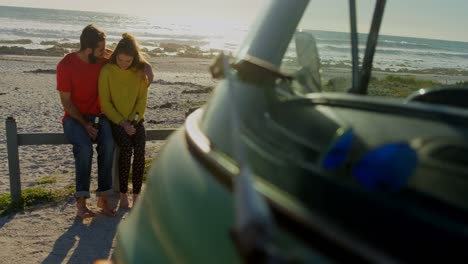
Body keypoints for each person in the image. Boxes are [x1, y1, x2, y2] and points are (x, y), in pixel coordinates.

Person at [56, 24, 116, 218]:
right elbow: (66, 102)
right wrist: (85, 124)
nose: (104, 53)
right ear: (88, 50)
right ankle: (81, 204)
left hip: (99, 116)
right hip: (74, 118)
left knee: (108, 143)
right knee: (84, 148)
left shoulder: (101, 59)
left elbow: (130, 57)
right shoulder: (66, 65)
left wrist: (147, 68)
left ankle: (103, 199)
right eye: (100, 49)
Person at [99, 33, 151, 209]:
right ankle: (123, 194)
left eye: (128, 61)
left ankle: (136, 195)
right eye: (121, 60)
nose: (123, 64)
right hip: (116, 121)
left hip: (136, 121)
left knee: (140, 152)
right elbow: (105, 102)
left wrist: (134, 122)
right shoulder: (107, 70)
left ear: (134, 59)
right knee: (126, 149)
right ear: (116, 56)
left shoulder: (140, 72)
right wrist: (123, 123)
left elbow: (142, 100)